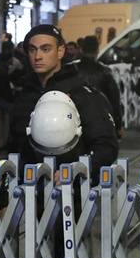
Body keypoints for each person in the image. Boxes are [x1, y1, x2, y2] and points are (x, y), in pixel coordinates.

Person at [8, 25, 118, 169]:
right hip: (29, 185)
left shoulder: (82, 93)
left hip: (73, 186)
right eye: (32, 49)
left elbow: (106, 146)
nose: (37, 56)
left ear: (60, 51)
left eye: (45, 49)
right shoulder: (25, 94)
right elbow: (15, 144)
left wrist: (78, 169)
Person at [77, 34, 125, 130]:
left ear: (81, 49)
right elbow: (114, 100)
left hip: (77, 120)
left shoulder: (72, 70)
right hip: (100, 120)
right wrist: (118, 125)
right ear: (97, 50)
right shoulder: (104, 72)